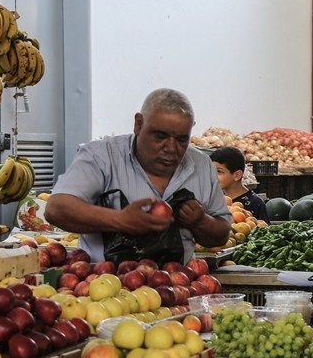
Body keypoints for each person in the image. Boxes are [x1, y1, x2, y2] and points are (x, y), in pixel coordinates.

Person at [46, 88, 230, 262]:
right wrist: (119, 220)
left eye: (182, 139)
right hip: (104, 282)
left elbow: (221, 235)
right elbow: (56, 209)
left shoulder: (201, 165)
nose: (171, 148)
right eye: (160, 137)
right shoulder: (101, 156)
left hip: (178, 281)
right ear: (139, 124)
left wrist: (200, 221)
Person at [209, 146, 269, 222]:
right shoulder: (215, 199)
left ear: (237, 175)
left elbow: (262, 227)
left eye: (219, 172)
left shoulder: (256, 203)